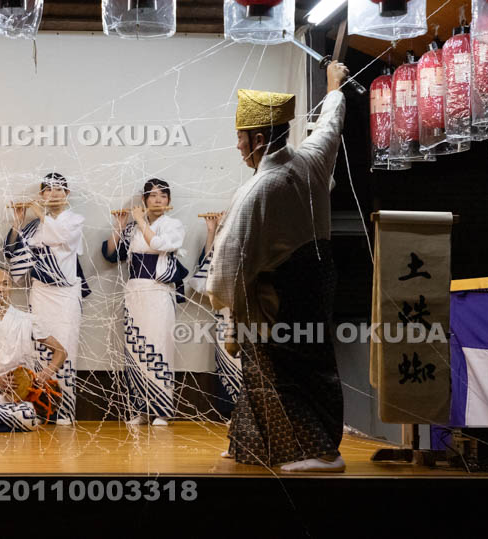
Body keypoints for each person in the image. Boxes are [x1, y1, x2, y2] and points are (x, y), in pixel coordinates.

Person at [207, 60, 349, 472]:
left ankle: (322, 452)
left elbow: (227, 263)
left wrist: (227, 308)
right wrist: (333, 87)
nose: (236, 147)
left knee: (284, 371)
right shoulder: (312, 159)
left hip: (279, 294)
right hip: (319, 279)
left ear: (257, 138)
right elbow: (330, 124)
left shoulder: (258, 189)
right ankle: (251, 444)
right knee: (278, 368)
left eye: (239, 138)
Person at [4, 172, 88, 425]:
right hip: (40, 291)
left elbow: (60, 238)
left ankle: (64, 411)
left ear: (67, 194)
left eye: (60, 189)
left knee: (66, 346)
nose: (54, 194)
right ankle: (42, 407)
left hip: (65, 292)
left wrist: (40, 214)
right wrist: (18, 222)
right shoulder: (31, 226)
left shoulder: (75, 219)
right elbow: (11, 251)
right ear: (42, 194)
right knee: (40, 347)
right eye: (49, 190)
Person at [102, 178, 186, 425]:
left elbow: (160, 244)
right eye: (153, 196)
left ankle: (161, 410)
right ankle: (140, 408)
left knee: (159, 347)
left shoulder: (174, 225)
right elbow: (110, 255)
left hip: (159, 291)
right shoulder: (131, 228)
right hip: (135, 291)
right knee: (136, 349)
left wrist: (139, 220)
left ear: (169, 200)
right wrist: (119, 226)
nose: (158, 200)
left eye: (163, 196)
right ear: (144, 200)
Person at [0, 268, 67, 432]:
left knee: (28, 412)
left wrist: (45, 374)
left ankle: (15, 418)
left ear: (11, 288)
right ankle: (15, 420)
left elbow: (61, 352)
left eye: (5, 284)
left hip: (22, 395)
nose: (1, 288)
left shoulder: (27, 320)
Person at [189, 211, 243, 421]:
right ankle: (230, 410)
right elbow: (207, 264)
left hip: (248, 307)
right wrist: (212, 230)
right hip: (224, 309)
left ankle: (250, 411)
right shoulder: (223, 242)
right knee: (226, 357)